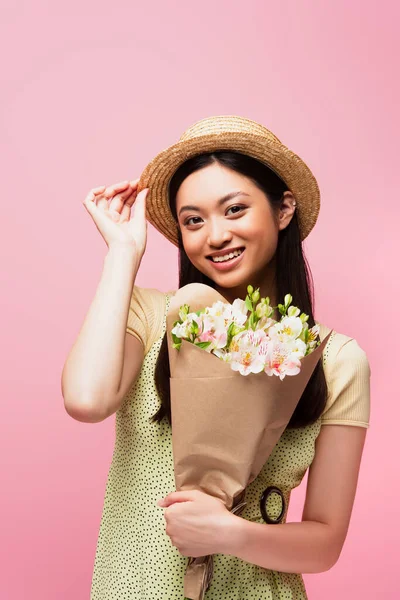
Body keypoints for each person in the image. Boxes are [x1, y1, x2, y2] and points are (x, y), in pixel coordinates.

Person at [61, 115, 371, 599]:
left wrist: (231, 534)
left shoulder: (335, 358)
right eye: (193, 220)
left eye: (235, 209)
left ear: (283, 209)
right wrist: (122, 253)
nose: (216, 236)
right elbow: (85, 400)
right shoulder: (149, 315)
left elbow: (325, 543)